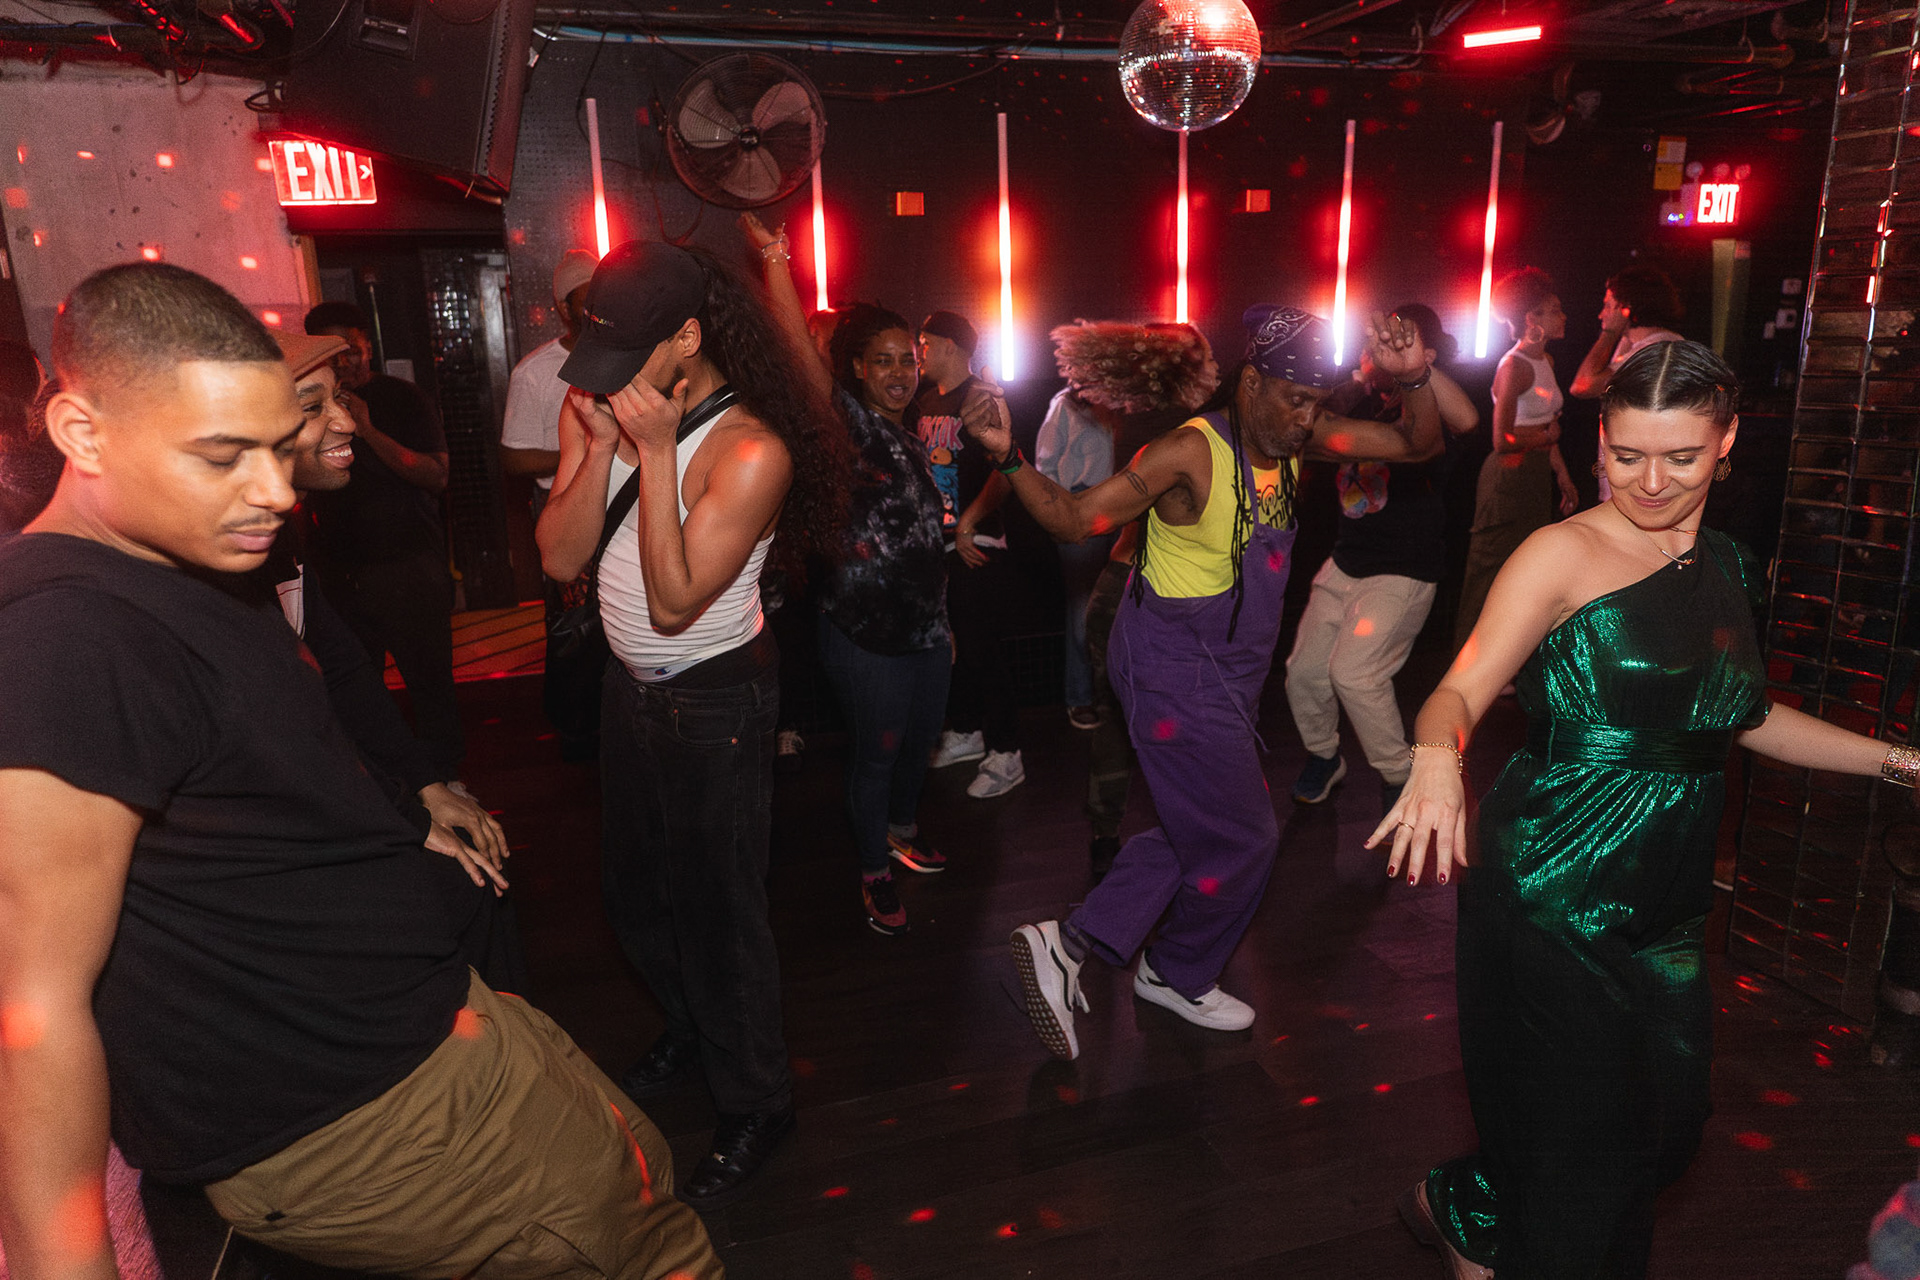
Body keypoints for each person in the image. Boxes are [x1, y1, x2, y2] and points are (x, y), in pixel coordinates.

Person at [0, 261, 718, 1280]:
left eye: (274, 445)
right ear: (82, 432)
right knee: (652, 1255)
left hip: (421, 1035)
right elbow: (32, 1012)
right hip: (361, 1112)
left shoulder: (181, 566)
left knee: (639, 1185)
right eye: (223, 455)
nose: (272, 488)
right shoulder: (63, 637)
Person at [1375, 340, 1920, 1280]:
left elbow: (1742, 716)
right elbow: (1456, 691)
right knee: (1584, 1149)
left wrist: (1904, 764)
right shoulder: (1561, 552)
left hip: (1667, 895)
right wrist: (1433, 759)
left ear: (1727, 442)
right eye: (1627, 456)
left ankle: (1472, 1203)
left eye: (1681, 456)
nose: (1652, 482)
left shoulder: (1731, 565)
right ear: (1600, 443)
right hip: (1554, 883)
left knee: (1669, 1123)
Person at [975, 305, 1441, 1059]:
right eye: (1294, 399)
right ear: (1252, 382)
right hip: (1170, 669)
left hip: (1227, 672)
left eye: (1316, 404)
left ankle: (1125, 960)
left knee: (1199, 824)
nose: (1307, 418)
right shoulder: (1189, 453)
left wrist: (1413, 375)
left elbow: (1419, 443)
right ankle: (1127, 957)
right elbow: (1074, 519)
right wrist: (1007, 458)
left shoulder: (1295, 436)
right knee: (1247, 836)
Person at [537, 229, 849, 1209]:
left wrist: (656, 450)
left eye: (626, 353)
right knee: (633, 894)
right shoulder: (606, 406)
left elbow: (675, 601)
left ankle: (759, 1101)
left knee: (721, 916)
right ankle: (690, 1024)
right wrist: (598, 450)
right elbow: (558, 560)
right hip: (629, 691)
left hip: (715, 697)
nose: (605, 378)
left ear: (685, 336)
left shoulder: (751, 448)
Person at [1285, 303, 1479, 812]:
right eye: (1375, 341)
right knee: (1304, 672)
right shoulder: (1363, 401)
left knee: (1355, 674)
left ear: (1426, 354)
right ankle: (1324, 756)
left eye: (1394, 341)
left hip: (1402, 570)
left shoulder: (1428, 408)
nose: (1374, 349)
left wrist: (1416, 368)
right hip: (1346, 561)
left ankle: (1400, 776)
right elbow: (1307, 421)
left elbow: (1468, 419)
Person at [1044, 320, 1220, 881]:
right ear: (1184, 369)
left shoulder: (1139, 418)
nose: (1217, 366)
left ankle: (1107, 837)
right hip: (1152, 594)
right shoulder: (1188, 433)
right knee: (1182, 724)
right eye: (1207, 357)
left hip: (1119, 588)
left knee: (1119, 723)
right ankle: (1192, 840)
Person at [802, 296, 952, 935]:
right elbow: (801, 363)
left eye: (907, 361)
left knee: (920, 745)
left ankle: (899, 832)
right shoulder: (847, 424)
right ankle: (872, 870)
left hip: (926, 630)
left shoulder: (912, 437)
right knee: (878, 754)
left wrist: (944, 623)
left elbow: (925, 541)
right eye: (882, 361)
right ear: (857, 369)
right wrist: (775, 262)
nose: (898, 373)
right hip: (864, 632)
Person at [303, 300, 463, 776]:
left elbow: (436, 476)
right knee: (355, 688)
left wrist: (368, 430)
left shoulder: (402, 398)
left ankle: (447, 780)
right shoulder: (308, 406)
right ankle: (380, 785)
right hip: (339, 572)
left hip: (408, 567)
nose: (344, 363)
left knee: (430, 686)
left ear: (368, 347)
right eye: (332, 354)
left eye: (351, 350)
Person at [913, 310, 1026, 798]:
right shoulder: (922, 402)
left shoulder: (980, 397)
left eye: (926, 343)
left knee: (981, 645)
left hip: (977, 543)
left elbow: (1006, 470)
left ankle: (1007, 751)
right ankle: (966, 730)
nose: (919, 352)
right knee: (952, 646)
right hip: (940, 544)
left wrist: (970, 523)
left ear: (951, 346)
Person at [1454, 268, 1580, 649]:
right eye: (1554, 310)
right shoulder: (1514, 366)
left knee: (1524, 574)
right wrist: (1545, 436)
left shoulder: (1546, 362)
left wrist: (1563, 477)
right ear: (1531, 319)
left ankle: (1509, 658)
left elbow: (1545, 428)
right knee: (1488, 574)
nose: (1563, 316)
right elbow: (1501, 438)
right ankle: (1467, 659)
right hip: (1508, 476)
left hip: (1534, 474)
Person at [1035, 386, 1119, 729]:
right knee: (1082, 607)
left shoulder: (1128, 399)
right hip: (1082, 504)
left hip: (1125, 503)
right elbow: (1045, 465)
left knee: (1122, 606)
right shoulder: (1066, 403)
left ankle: (1115, 696)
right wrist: (1062, 514)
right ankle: (1080, 697)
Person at [1568, 264, 1686, 502]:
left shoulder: (1651, 350)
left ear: (1626, 308)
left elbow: (1582, 386)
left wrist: (1609, 333)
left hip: (1638, 488)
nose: (1601, 315)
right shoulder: (1655, 343)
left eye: (1608, 306)